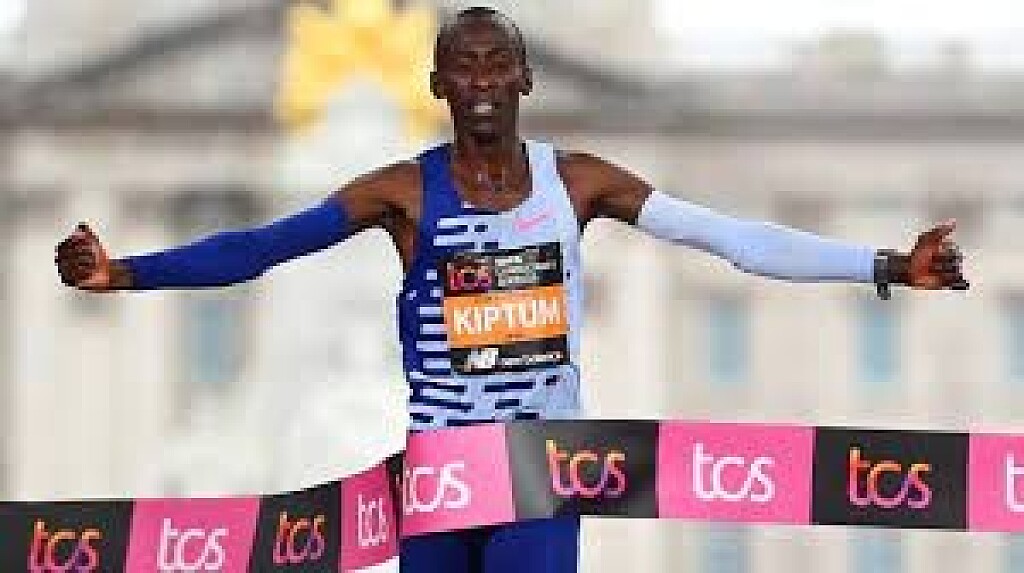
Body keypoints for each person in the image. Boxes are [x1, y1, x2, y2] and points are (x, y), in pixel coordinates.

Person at [54, 7, 967, 573]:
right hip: (441, 475)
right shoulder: (401, 192)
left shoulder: (579, 181)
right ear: (438, 85)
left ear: (525, 77)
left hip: (538, 466)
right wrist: (124, 272)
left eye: (498, 63)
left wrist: (884, 265)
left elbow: (729, 238)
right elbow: (260, 248)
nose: (483, 80)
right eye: (465, 66)